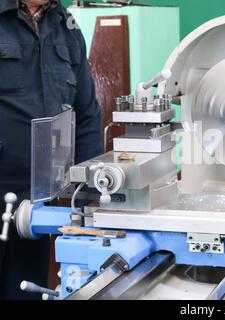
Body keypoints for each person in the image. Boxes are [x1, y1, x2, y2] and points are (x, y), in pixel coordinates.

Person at [0, 0, 102, 299]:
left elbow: (86, 115)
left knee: (25, 292)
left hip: (36, 202)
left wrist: (90, 191)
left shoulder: (66, 29)